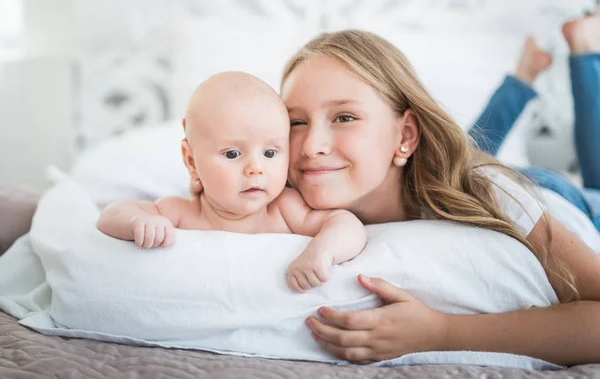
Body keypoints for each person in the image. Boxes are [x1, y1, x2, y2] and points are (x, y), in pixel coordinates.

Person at [278, 18, 600, 365]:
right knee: (465, 149)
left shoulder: (490, 189)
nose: (311, 146)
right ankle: (523, 76)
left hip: (562, 198)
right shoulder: (280, 191)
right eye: (296, 122)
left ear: (405, 136)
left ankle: (582, 53)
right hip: (458, 168)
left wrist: (440, 332)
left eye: (344, 117)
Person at [97, 71, 367, 293]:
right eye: (233, 154)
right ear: (192, 162)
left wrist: (323, 251)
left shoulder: (285, 210)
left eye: (270, 153)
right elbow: (110, 215)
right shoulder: (180, 212)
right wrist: (137, 224)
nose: (255, 169)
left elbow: (346, 224)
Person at [469, 15, 600, 230]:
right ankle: (578, 54)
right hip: (535, 194)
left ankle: (579, 53)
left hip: (529, 191)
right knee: (458, 165)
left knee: (457, 167)